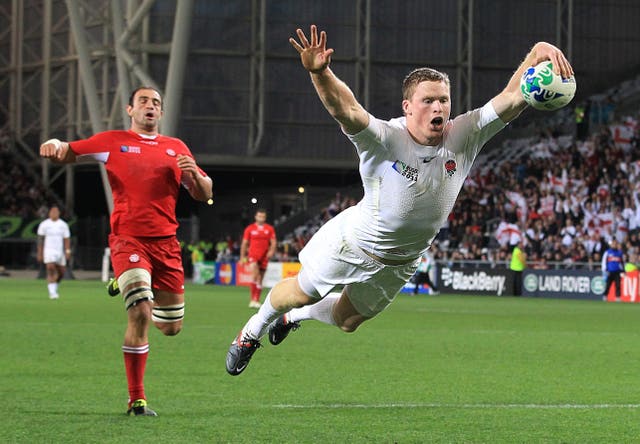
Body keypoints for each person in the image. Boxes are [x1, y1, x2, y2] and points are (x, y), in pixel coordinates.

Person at [225, 24, 574, 376]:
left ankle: (293, 318)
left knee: (347, 322)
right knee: (303, 291)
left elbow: (514, 98)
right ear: (408, 106)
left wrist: (538, 51)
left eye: (443, 100)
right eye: (428, 100)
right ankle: (251, 332)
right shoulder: (385, 138)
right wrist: (320, 72)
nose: (438, 107)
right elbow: (345, 109)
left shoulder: (464, 135)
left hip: (401, 262)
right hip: (353, 244)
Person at [40, 86, 213, 415]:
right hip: (128, 240)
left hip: (166, 246)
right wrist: (54, 145)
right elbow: (69, 150)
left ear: (161, 113)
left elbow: (204, 194)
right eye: (144, 101)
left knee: (171, 328)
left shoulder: (176, 148)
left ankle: (125, 279)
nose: (151, 106)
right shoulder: (111, 142)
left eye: (156, 103)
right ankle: (137, 399)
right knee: (139, 313)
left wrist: (194, 176)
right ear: (130, 109)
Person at [240, 208, 277, 308]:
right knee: (255, 275)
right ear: (255, 217)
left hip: (264, 256)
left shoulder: (269, 229)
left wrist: (271, 251)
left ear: (265, 218)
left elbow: (273, 242)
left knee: (260, 278)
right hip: (253, 255)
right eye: (259, 216)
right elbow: (244, 243)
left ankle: (256, 299)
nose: (261, 218)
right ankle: (252, 299)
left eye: (263, 216)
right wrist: (242, 257)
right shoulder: (250, 229)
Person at [36, 205, 71, 299]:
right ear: (49, 213)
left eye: (56, 212)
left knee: (62, 272)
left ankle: (54, 286)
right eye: (52, 211)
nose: (54, 213)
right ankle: (52, 292)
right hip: (48, 251)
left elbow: (67, 239)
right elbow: (40, 240)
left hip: (60, 251)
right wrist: (40, 253)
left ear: (59, 213)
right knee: (50, 268)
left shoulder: (63, 225)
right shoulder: (44, 224)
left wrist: (67, 251)